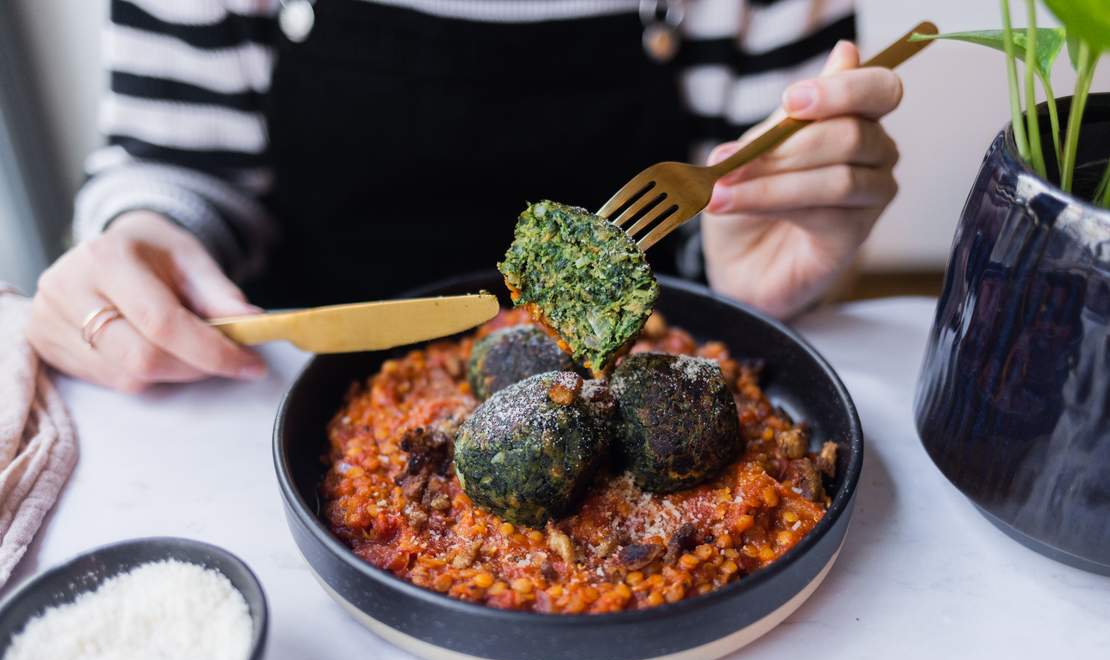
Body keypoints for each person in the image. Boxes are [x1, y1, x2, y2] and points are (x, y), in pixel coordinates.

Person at [27, 0, 902, 393]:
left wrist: (748, 269)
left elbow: (760, 208)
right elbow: (176, 165)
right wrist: (142, 236)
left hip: (652, 356)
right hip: (283, 398)